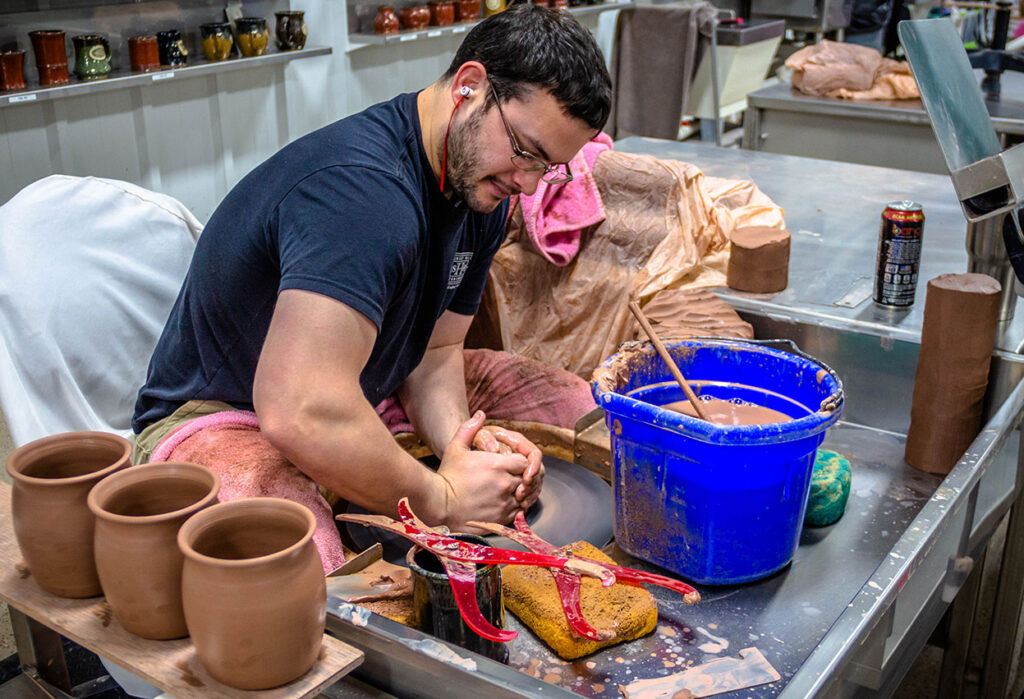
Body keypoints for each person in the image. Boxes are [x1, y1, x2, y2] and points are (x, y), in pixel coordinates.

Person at [131, 4, 612, 569]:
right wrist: (444, 499)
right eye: (526, 152)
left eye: (549, 167)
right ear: (470, 87)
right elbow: (299, 411)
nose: (529, 185)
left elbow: (435, 350)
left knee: (570, 404)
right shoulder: (362, 195)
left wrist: (463, 442)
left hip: (363, 384)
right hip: (230, 416)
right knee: (297, 560)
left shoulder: (483, 186)